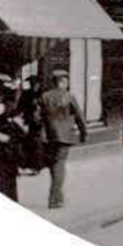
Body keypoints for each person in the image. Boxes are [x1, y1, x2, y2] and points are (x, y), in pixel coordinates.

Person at [39, 68, 88, 210]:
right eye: (66, 81)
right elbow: (79, 116)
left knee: (54, 165)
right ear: (62, 82)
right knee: (60, 166)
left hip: (48, 136)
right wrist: (84, 133)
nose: (67, 83)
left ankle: (58, 196)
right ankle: (55, 199)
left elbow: (37, 117)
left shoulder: (44, 96)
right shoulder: (68, 96)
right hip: (65, 136)